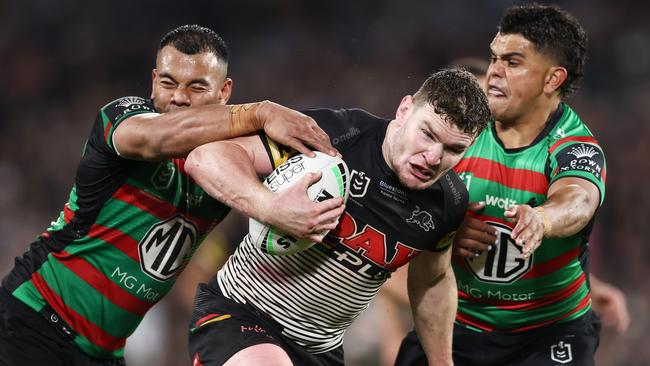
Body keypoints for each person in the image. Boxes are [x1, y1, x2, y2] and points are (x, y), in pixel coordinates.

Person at [0, 24, 341, 366]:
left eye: (196, 86)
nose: (178, 96)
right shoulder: (122, 121)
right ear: (153, 82)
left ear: (224, 92)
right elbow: (160, 137)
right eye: (168, 82)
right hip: (31, 319)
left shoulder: (230, 162)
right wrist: (262, 112)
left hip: (104, 353)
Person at [184, 68, 491, 365]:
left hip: (321, 350)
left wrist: (442, 362)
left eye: (453, 149)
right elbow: (205, 159)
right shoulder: (335, 136)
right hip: (241, 313)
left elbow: (431, 281)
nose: (434, 157)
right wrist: (270, 207)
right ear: (404, 110)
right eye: (427, 134)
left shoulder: (448, 203)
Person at [396, 4, 611, 365]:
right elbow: (403, 197)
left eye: (512, 62)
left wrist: (542, 220)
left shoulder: (574, 146)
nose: (494, 72)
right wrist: (444, 229)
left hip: (547, 333)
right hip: (455, 324)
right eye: (494, 58)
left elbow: (578, 199)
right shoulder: (460, 129)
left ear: (552, 79)